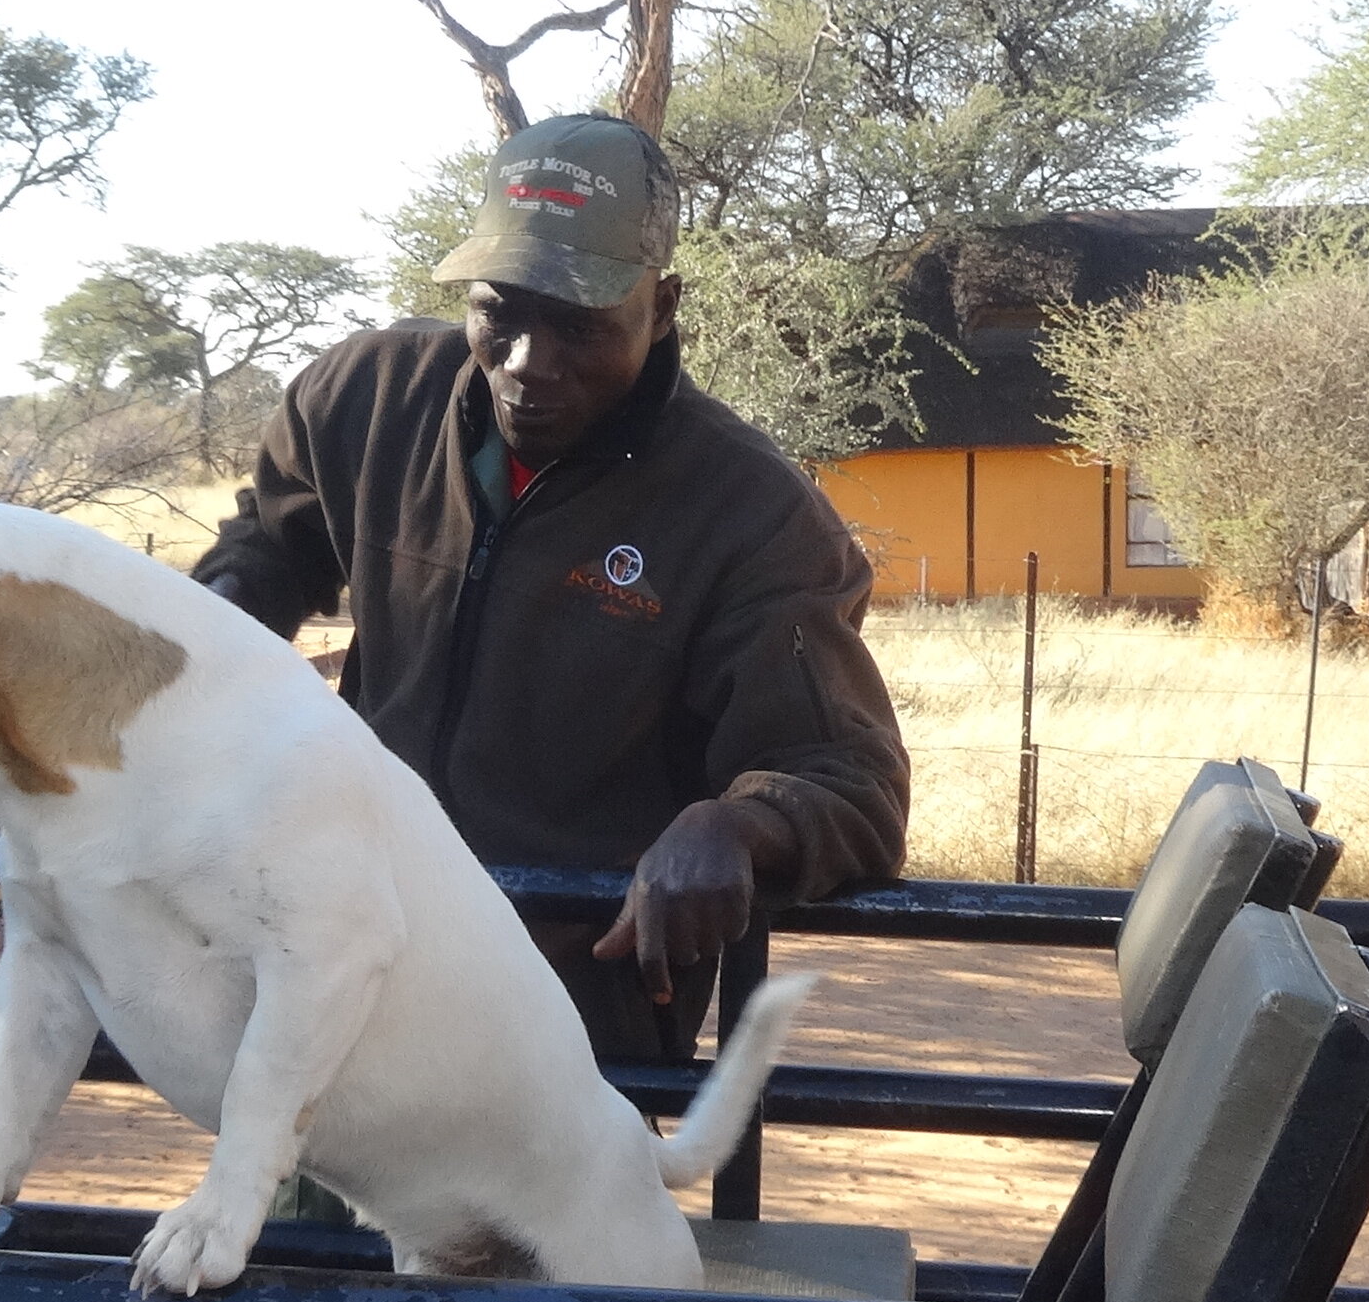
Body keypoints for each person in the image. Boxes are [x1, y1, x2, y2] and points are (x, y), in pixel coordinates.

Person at [192, 114, 912, 1066]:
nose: (530, 362)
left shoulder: (752, 515)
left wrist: (735, 823)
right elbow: (259, 570)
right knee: (291, 1210)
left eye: (581, 323)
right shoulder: (362, 401)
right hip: (335, 977)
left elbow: (853, 786)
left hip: (559, 1029)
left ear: (662, 309)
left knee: (501, 1223)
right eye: (502, 310)